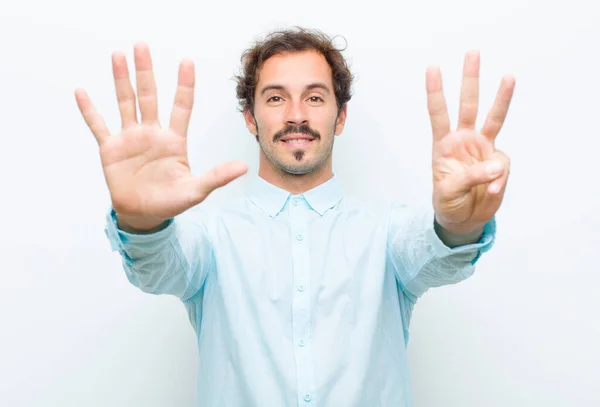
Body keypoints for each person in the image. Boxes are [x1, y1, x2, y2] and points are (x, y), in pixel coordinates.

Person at [75, 27, 514, 407]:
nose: (297, 114)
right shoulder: (211, 238)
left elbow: (438, 254)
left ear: (340, 117)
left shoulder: (387, 234)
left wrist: (460, 225)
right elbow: (157, 268)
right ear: (250, 117)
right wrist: (142, 224)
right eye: (276, 97)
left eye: (315, 97)